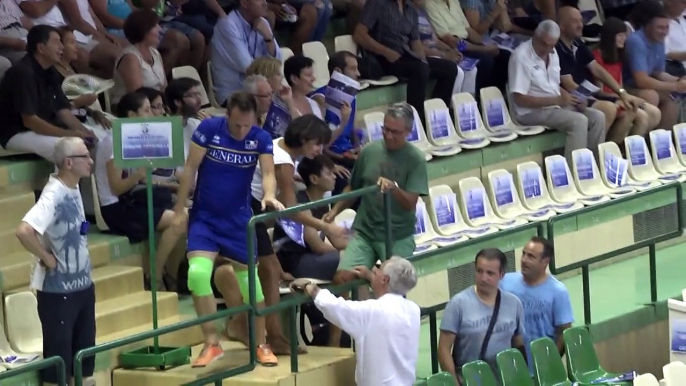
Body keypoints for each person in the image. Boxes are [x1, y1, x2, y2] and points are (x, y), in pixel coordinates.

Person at [171, 91, 283, 367]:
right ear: (227, 115)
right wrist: (177, 211)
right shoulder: (210, 129)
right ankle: (211, 343)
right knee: (197, 275)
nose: (242, 130)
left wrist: (269, 195)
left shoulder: (261, 138)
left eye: (247, 125)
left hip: (238, 220)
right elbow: (190, 168)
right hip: (205, 218)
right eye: (237, 125)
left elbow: (268, 173)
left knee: (251, 287)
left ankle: (260, 343)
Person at [225, 115, 341, 355]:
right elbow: (292, 210)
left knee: (271, 271)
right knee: (267, 272)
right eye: (317, 144)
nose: (320, 150)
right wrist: (325, 226)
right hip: (241, 209)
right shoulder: (284, 163)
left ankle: (261, 330)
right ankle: (265, 334)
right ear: (304, 139)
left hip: (247, 207)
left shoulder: (280, 148)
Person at [324, 102, 428, 346]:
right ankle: (335, 345)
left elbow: (410, 202)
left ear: (408, 132)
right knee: (341, 278)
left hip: (397, 235)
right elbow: (353, 187)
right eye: (386, 129)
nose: (389, 135)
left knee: (390, 289)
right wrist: (335, 210)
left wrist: (394, 188)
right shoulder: (370, 151)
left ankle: (389, 341)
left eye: (396, 132)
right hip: (366, 231)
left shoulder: (416, 159)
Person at [15, 137, 95, 386]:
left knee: (84, 363)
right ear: (69, 162)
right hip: (59, 293)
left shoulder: (74, 187)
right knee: (59, 368)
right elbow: (24, 230)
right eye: (85, 156)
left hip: (83, 287)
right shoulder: (54, 194)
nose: (91, 160)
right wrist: (47, 257)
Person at [95, 91, 186, 290]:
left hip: (133, 198)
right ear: (132, 116)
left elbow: (144, 178)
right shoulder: (113, 142)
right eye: (146, 110)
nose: (152, 114)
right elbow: (117, 188)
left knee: (186, 209)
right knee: (180, 219)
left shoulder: (131, 137)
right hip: (117, 208)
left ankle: (170, 273)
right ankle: (155, 272)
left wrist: (175, 187)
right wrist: (140, 172)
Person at [296, 257, 420, 386]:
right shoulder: (413, 310)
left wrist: (310, 287)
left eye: (378, 268)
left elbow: (335, 307)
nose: (374, 270)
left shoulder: (373, 312)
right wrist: (371, 278)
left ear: (385, 279)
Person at [508, 20, 605, 163]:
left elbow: (553, 85)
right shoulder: (521, 57)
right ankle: (575, 173)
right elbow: (519, 98)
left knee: (598, 117)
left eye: (551, 45)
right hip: (529, 112)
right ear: (535, 36)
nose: (547, 49)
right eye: (544, 44)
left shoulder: (553, 53)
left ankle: (593, 166)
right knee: (578, 121)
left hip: (554, 106)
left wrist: (575, 98)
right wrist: (557, 100)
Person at [0, 25, 100, 162]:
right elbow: (30, 121)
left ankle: (106, 184)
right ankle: (67, 184)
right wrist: (70, 134)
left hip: (44, 127)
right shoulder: (23, 73)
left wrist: (85, 132)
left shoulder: (50, 71)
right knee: (70, 149)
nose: (62, 47)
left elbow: (63, 111)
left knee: (103, 140)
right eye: (56, 42)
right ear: (41, 48)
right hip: (17, 133)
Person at [557, 6, 651, 145]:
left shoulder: (577, 43)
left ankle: (611, 155)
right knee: (609, 108)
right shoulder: (557, 48)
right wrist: (596, 97)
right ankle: (593, 156)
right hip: (571, 98)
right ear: (562, 26)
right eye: (575, 21)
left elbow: (597, 69)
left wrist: (622, 93)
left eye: (580, 21)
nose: (580, 25)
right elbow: (568, 84)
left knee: (630, 107)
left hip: (588, 94)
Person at [353, 0, 458, 122]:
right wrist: (385, 51)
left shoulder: (411, 8)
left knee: (449, 68)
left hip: (405, 55)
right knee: (419, 69)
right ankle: (416, 120)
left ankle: (437, 116)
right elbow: (359, 35)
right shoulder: (377, 3)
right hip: (381, 58)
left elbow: (415, 42)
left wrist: (422, 59)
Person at [438, 248, 526, 384]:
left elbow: (518, 343)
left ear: (501, 274)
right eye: (479, 271)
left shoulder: (514, 303)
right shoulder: (458, 304)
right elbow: (444, 349)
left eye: (490, 273)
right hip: (470, 379)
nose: (483, 278)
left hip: (503, 379)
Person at [500, 237, 574, 372]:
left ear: (545, 261)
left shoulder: (558, 292)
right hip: (511, 368)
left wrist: (551, 362)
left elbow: (564, 331)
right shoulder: (505, 283)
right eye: (524, 254)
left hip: (542, 367)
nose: (524, 260)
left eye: (531, 256)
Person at [273, 155, 345, 280]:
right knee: (348, 262)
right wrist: (345, 254)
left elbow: (337, 239)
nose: (334, 177)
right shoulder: (301, 203)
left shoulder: (322, 203)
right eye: (329, 173)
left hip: (313, 257)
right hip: (295, 262)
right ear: (314, 179)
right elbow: (318, 247)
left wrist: (357, 246)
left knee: (357, 259)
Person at [592, 17, 661, 135]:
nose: (624, 39)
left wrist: (628, 97)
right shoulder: (596, 56)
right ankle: (619, 147)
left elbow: (620, 86)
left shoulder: (618, 57)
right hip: (606, 100)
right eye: (620, 35)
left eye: (624, 35)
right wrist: (625, 97)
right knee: (642, 117)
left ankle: (631, 145)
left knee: (655, 113)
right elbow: (600, 91)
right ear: (610, 36)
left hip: (620, 97)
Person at [624, 4, 684, 130]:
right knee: (651, 95)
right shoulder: (636, 41)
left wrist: (678, 80)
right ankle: (641, 139)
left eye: (667, 27)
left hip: (644, 83)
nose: (664, 32)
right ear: (648, 26)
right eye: (660, 28)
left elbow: (658, 72)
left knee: (673, 97)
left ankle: (661, 140)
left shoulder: (659, 40)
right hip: (626, 86)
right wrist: (674, 86)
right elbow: (641, 80)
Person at [211, 0, 282, 106]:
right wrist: (273, 72)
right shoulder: (227, 25)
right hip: (234, 95)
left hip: (260, 92)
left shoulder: (263, 23)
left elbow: (278, 61)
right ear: (244, 3)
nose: (265, 3)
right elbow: (249, 68)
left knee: (288, 102)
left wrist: (269, 38)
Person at [110, 9, 167, 105]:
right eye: (154, 26)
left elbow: (164, 87)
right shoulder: (130, 58)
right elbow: (137, 97)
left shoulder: (155, 53)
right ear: (143, 30)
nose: (160, 29)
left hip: (155, 106)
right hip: (132, 110)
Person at [164, 77, 203, 160]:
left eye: (198, 94)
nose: (199, 100)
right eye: (192, 95)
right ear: (177, 102)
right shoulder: (165, 132)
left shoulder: (197, 124)